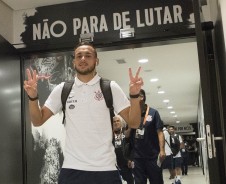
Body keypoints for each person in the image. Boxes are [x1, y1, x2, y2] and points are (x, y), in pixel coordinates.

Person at [23, 41, 144, 184]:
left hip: (105, 169)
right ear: (74, 61)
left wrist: (134, 96)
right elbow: (38, 120)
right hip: (72, 169)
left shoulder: (110, 87)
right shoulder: (63, 89)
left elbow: (134, 122)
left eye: (88, 55)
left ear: (96, 60)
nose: (83, 59)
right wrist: (32, 96)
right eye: (79, 56)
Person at [130, 89, 166, 184]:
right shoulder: (131, 114)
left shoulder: (154, 113)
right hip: (137, 157)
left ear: (142, 97)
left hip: (153, 156)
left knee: (156, 181)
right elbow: (128, 136)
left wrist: (162, 150)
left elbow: (160, 132)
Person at [113, 115, 134, 184]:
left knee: (130, 180)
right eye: (114, 121)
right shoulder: (110, 134)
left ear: (121, 122)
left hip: (126, 162)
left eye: (118, 121)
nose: (116, 123)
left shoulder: (126, 131)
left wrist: (130, 159)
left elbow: (132, 146)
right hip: (114, 163)